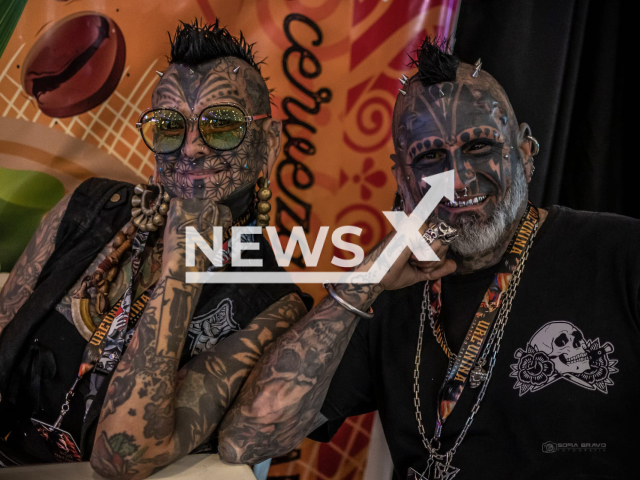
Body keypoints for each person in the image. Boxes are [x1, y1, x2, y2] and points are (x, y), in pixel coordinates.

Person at [217, 37, 640, 479]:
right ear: (402, 179)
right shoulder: (386, 292)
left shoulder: (620, 255)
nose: (457, 180)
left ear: (526, 154)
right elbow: (249, 436)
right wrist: (363, 282)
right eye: (431, 157)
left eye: (480, 147)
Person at [0, 20, 311, 479]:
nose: (191, 148)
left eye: (221, 125)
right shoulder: (89, 206)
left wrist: (181, 263)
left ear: (269, 143)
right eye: (168, 126)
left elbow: (120, 458)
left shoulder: (273, 304)